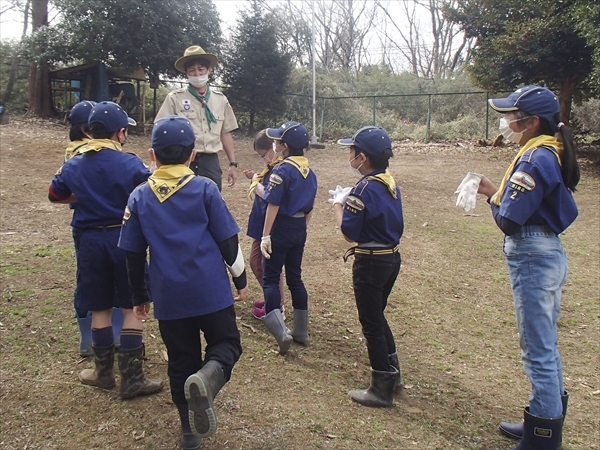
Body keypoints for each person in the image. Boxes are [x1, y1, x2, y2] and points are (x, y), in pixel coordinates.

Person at [118, 115, 247, 450]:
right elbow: (228, 242)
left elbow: (132, 254)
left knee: (180, 359)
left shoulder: (139, 197)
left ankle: (189, 433)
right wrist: (241, 279)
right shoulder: (205, 188)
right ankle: (208, 378)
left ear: (151, 155)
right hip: (212, 292)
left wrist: (139, 294)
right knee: (227, 345)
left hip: (170, 297)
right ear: (193, 155)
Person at [474, 85, 579, 450]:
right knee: (543, 343)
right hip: (545, 252)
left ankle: (544, 437)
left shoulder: (536, 159)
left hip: (533, 255)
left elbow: (510, 221)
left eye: (511, 114)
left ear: (531, 122)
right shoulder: (545, 150)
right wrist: (495, 191)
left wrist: (490, 196)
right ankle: (541, 415)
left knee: (537, 347)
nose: (506, 120)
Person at [48, 101, 163, 400]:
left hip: (89, 241)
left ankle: (102, 373)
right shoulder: (130, 164)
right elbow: (148, 194)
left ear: (88, 130)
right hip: (124, 239)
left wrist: (84, 197)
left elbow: (54, 194)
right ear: (120, 132)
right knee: (132, 307)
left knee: (99, 306)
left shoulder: (73, 163)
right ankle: (132, 378)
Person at [330, 126, 404, 408]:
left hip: (371, 261)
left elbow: (350, 233)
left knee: (371, 322)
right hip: (391, 258)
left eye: (351, 152)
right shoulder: (389, 182)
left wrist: (339, 205)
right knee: (378, 315)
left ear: (362, 158)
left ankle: (381, 387)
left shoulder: (362, 188)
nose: (349, 156)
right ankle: (393, 374)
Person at [65, 100, 124, 357]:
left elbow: (59, 191)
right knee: (114, 283)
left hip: (86, 225)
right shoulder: (82, 154)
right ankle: (111, 337)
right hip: (107, 225)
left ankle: (93, 341)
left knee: (89, 279)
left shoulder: (75, 155)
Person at [259, 121, 318, 355]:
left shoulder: (281, 170)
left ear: (284, 146)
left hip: (281, 227)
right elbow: (311, 205)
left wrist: (265, 235)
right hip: (299, 227)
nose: (274, 144)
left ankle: (281, 333)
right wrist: (303, 228)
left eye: (277, 141)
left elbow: (273, 203)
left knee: (271, 279)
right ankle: (301, 331)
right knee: (296, 278)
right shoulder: (310, 172)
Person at [155, 45, 239, 191]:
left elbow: (225, 133)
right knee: (182, 202)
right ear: (186, 73)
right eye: (192, 70)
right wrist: (156, 162)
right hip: (182, 160)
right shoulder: (175, 98)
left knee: (211, 202)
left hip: (210, 162)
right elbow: (160, 130)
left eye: (201, 69)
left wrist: (233, 164)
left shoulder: (220, 100)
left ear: (209, 70)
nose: (197, 73)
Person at [242, 130, 286, 320]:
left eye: (263, 154)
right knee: (256, 262)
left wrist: (254, 181)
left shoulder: (281, 169)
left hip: (270, 225)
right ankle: (272, 299)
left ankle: (277, 305)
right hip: (260, 222)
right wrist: (255, 177)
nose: (263, 159)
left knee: (267, 266)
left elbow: (271, 195)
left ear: (273, 148)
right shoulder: (271, 168)